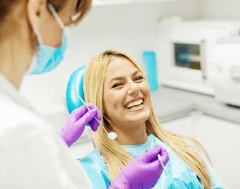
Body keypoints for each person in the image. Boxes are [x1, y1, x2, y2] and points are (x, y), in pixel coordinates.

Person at [0, 0, 169, 189]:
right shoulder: (18, 131)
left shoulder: (184, 150)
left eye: (138, 78)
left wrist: (58, 141)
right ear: (37, 11)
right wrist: (123, 186)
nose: (63, 38)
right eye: (68, 20)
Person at [77, 49, 228, 189]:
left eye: (138, 78)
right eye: (117, 84)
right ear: (98, 103)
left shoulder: (185, 149)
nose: (135, 88)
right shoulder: (91, 171)